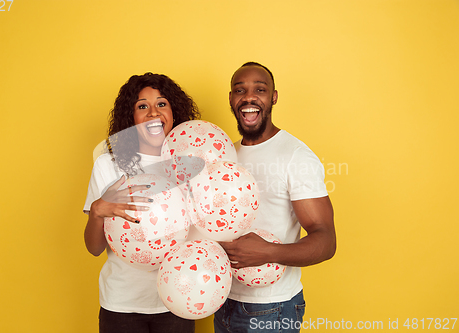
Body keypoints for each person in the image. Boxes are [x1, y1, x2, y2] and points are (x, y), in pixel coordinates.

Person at [215, 62, 337, 333]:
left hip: (271, 307)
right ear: (231, 99)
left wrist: (269, 252)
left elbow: (326, 240)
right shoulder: (224, 156)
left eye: (260, 89)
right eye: (239, 90)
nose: (249, 97)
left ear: (274, 97)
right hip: (221, 298)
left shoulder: (295, 155)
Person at [83, 73, 200, 333]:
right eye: (142, 106)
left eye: (161, 104)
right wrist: (97, 212)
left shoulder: (191, 163)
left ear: (174, 111)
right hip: (122, 304)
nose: (152, 113)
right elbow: (93, 248)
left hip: (178, 299)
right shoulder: (109, 164)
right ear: (131, 117)